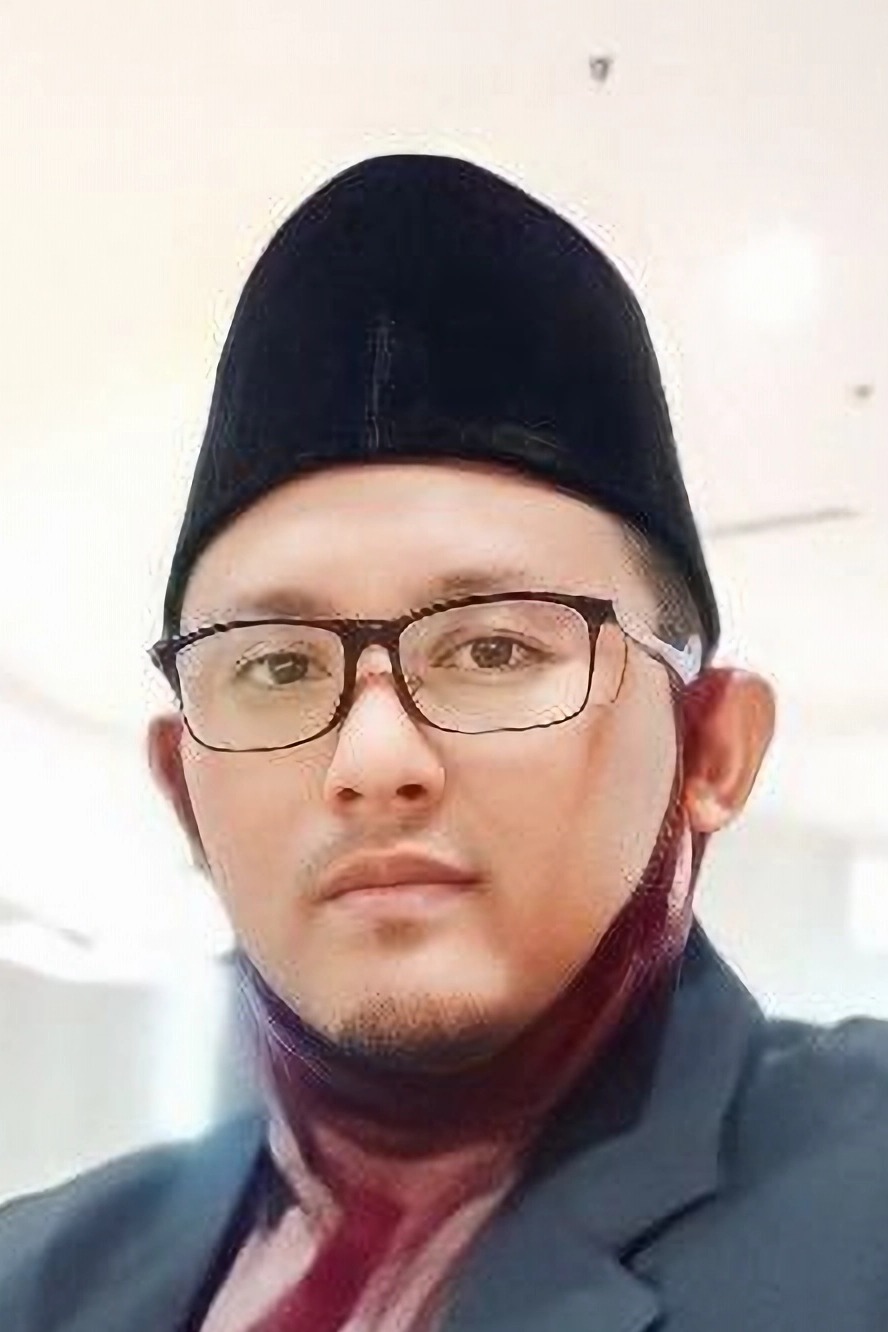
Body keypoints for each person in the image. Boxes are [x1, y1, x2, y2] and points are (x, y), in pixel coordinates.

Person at [2, 154, 887, 1332]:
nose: (373, 761)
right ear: (184, 794)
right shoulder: (34, 1275)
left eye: (494, 649)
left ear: (712, 747)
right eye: (278, 667)